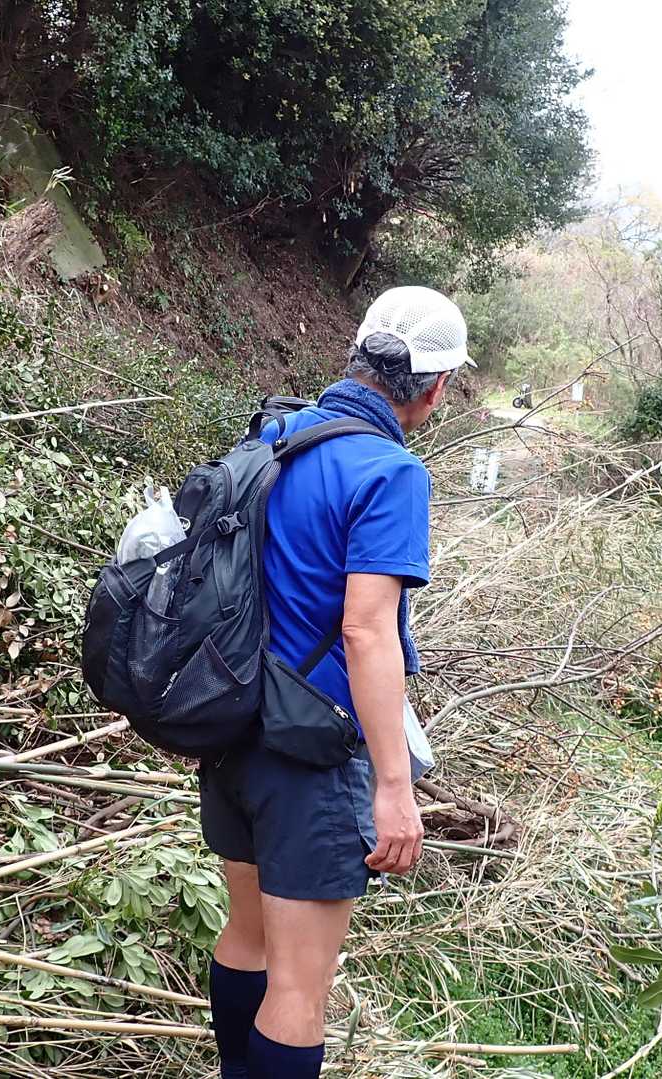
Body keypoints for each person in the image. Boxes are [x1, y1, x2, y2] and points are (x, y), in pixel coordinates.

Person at [200, 286, 473, 1078]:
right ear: (435, 387)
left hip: (234, 733)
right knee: (299, 985)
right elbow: (366, 630)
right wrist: (394, 785)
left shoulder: (275, 435)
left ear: (357, 356)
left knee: (247, 935)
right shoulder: (391, 472)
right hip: (311, 755)